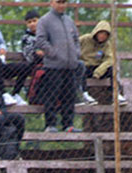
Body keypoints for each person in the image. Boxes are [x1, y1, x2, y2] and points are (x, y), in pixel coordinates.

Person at [36, 0, 81, 132]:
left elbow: (76, 39)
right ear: (51, 3)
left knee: (69, 97)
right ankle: (50, 125)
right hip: (53, 66)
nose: (62, 5)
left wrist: (76, 53)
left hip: (70, 66)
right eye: (59, 2)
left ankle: (68, 125)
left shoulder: (69, 20)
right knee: (51, 96)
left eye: (64, 2)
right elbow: (40, 40)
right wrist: (53, 53)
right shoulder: (45, 21)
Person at [78, 20, 127, 106]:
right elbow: (73, 45)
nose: (102, 36)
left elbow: (110, 59)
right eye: (101, 33)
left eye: (105, 34)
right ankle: (84, 95)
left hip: (98, 68)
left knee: (112, 69)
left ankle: (116, 95)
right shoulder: (85, 39)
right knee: (80, 68)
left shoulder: (107, 45)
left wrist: (100, 70)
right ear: (96, 32)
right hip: (85, 66)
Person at [13, 9, 43, 102]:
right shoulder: (26, 38)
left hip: (48, 62)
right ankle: (17, 94)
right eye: (29, 22)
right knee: (25, 67)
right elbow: (29, 55)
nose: (32, 24)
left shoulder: (45, 34)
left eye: (34, 21)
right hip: (33, 63)